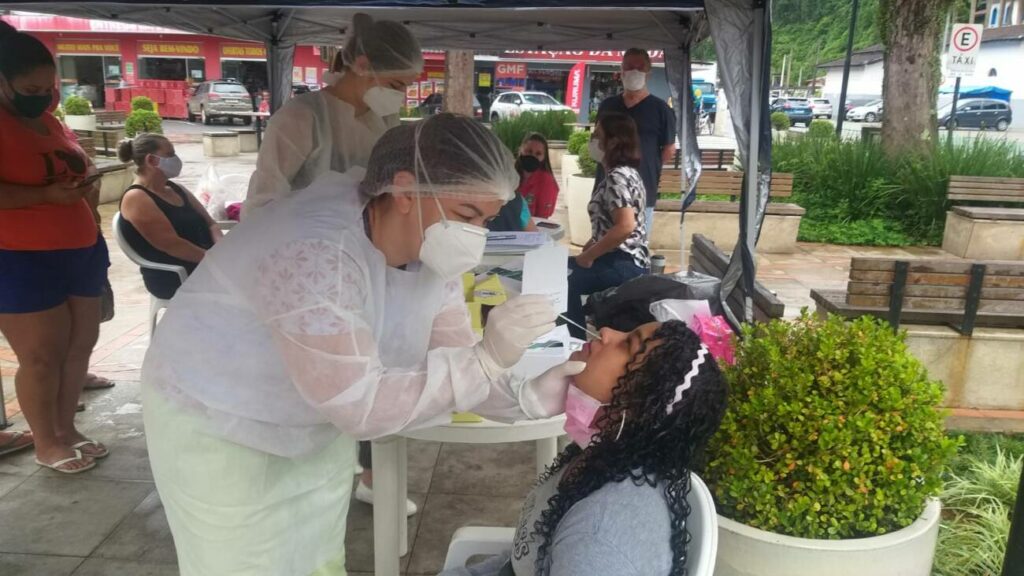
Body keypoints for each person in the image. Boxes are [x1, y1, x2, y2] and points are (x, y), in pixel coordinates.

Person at [141, 114, 584, 575]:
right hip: (217, 420)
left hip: (310, 417)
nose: (477, 235)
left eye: (487, 219)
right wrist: (487, 359)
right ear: (405, 189)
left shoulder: (432, 253)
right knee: (243, 563)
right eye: (467, 216)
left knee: (318, 560)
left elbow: (458, 359)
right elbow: (360, 405)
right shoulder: (313, 250)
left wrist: (527, 394)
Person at [440, 320, 728, 576]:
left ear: (640, 404)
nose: (606, 332)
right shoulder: (605, 454)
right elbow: (526, 557)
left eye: (628, 345)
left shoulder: (599, 538)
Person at [0, 21, 109, 473]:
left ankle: (67, 429)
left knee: (79, 347)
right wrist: (46, 196)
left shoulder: (48, 120)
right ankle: (46, 442)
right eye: (31, 87)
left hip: (80, 249)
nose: (43, 95)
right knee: (41, 356)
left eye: (49, 86)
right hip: (21, 258)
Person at [244, 13, 422, 213]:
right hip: (302, 237)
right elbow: (263, 203)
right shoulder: (301, 117)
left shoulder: (385, 119)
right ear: (362, 66)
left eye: (406, 86)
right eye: (395, 85)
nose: (401, 96)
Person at [565, 113, 650, 340]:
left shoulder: (617, 178)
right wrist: (593, 243)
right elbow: (613, 224)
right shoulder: (628, 174)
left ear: (612, 141)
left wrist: (589, 256)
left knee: (562, 280)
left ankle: (575, 345)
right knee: (563, 266)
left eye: (597, 135)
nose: (592, 140)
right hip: (627, 261)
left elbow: (625, 226)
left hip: (622, 263)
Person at [117, 133, 221, 299]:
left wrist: (221, 248)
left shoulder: (175, 189)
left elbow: (211, 224)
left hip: (205, 263)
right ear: (152, 161)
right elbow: (173, 246)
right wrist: (217, 263)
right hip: (175, 273)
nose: (176, 159)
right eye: (170, 154)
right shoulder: (137, 198)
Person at [595, 48, 677, 227]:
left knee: (634, 247)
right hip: (606, 189)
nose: (635, 71)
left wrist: (644, 165)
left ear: (648, 73)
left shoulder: (661, 110)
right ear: (621, 70)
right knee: (601, 244)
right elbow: (595, 142)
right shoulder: (608, 106)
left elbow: (669, 149)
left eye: (640, 67)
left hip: (642, 191)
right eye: (630, 67)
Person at [517, 132, 559, 219]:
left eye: (538, 154)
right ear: (521, 150)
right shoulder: (508, 174)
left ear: (544, 157)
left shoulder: (547, 181)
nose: (532, 156)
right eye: (529, 151)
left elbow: (542, 218)